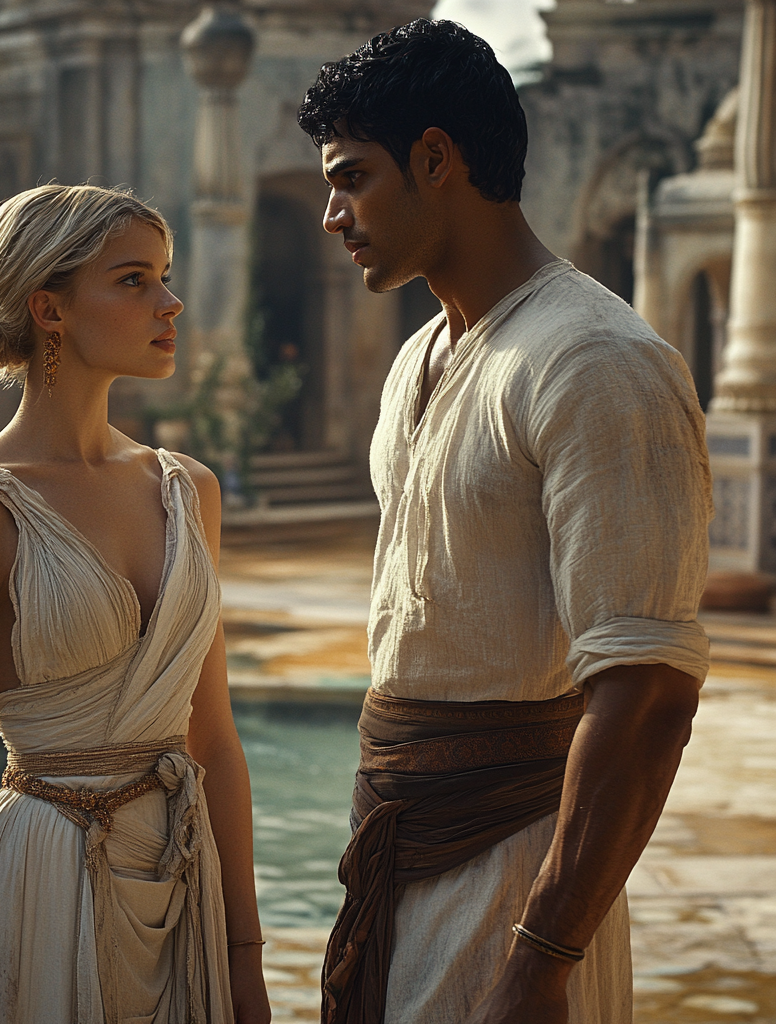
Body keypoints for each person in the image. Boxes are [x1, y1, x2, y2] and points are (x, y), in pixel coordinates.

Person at [297, 19, 711, 1024]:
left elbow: (648, 689)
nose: (330, 214)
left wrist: (540, 957)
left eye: (351, 177)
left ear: (435, 159)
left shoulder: (595, 358)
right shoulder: (417, 362)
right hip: (406, 842)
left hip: (517, 867)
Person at [0, 184, 271, 1024]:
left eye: (165, 276)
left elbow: (216, 742)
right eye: (133, 280)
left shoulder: (188, 490)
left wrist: (245, 961)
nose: (171, 303)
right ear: (48, 308)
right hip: (39, 889)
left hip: (184, 884)